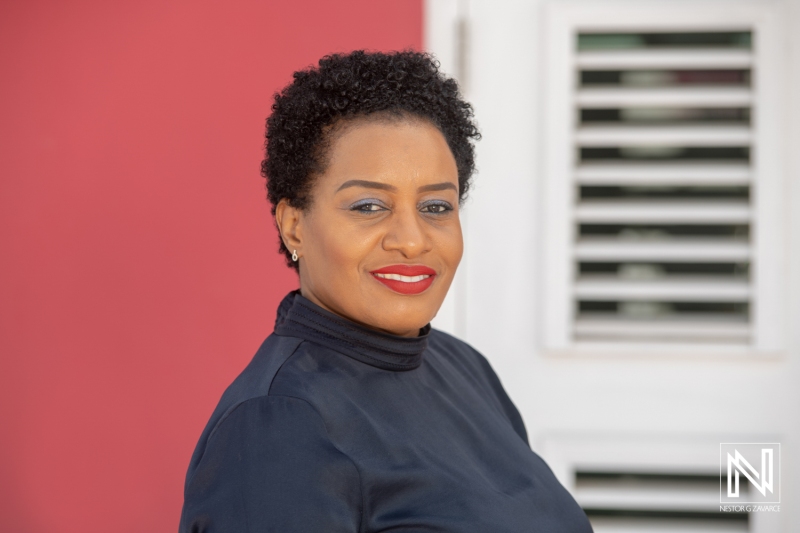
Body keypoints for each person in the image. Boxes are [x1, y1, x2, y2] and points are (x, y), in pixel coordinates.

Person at [179, 50, 593, 533]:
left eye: (437, 206)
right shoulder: (279, 423)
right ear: (294, 227)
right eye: (369, 205)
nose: (412, 240)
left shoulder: (462, 366)